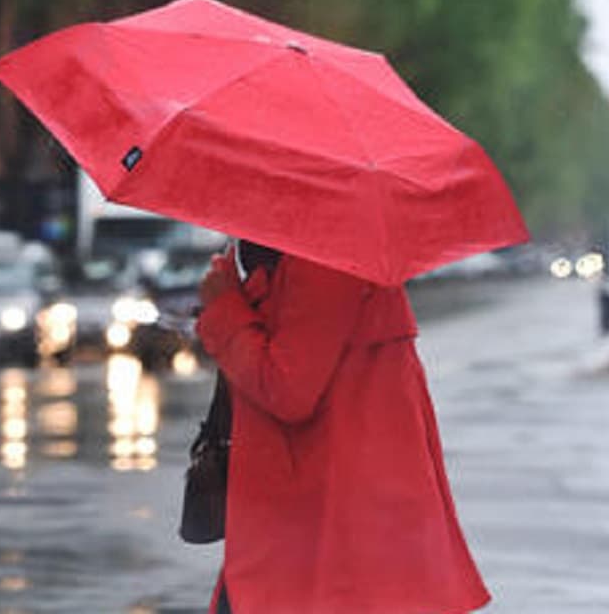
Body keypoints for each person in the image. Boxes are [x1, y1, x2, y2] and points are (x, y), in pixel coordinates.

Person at [196, 240, 491, 614]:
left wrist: (224, 305)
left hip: (335, 519)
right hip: (315, 517)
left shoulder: (325, 256)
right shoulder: (298, 248)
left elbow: (287, 389)